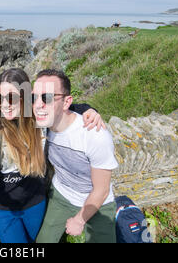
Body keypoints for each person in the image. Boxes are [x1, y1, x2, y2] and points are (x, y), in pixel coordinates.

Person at [0, 68, 105, 243]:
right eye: (0, 98)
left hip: (35, 203)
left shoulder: (39, 118)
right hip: (3, 210)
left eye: (12, 97)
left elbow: (65, 108)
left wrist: (88, 110)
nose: (5, 104)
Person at [32, 69, 118, 243]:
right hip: (61, 194)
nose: (38, 105)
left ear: (66, 102)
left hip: (97, 202)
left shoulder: (94, 135)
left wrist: (79, 220)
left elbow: (101, 190)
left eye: (47, 97)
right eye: (33, 97)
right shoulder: (42, 123)